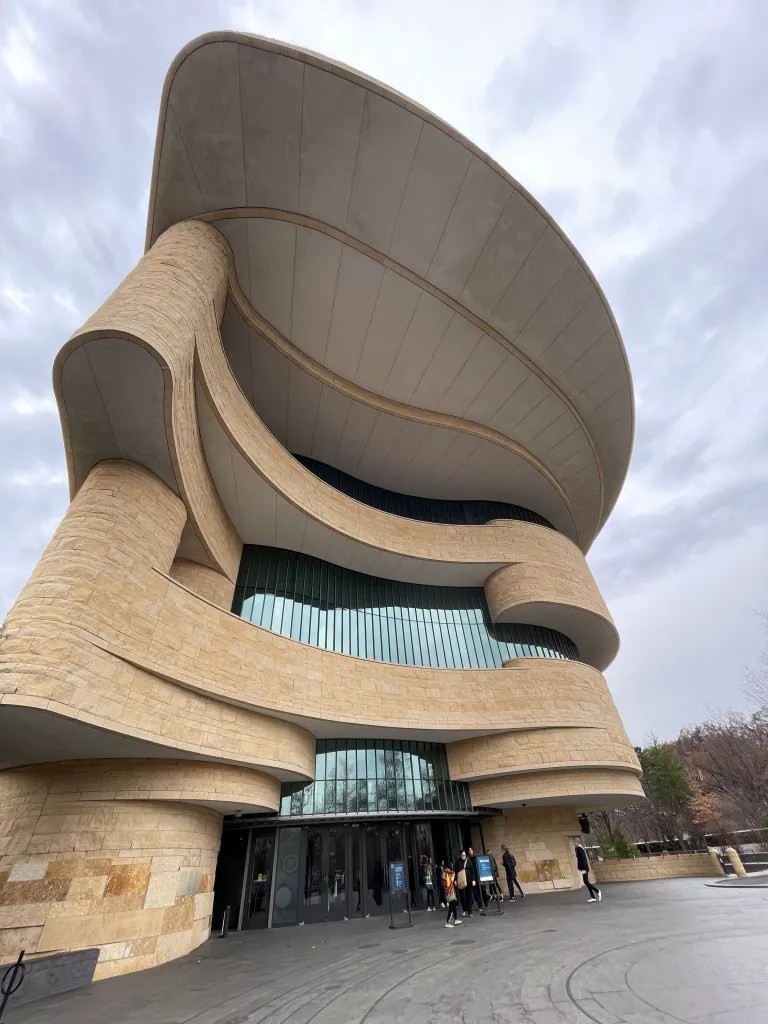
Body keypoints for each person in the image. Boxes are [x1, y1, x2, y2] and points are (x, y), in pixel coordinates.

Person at [467, 846, 488, 914]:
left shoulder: (476, 858)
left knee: (483, 890)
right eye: (469, 850)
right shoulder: (468, 859)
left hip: (479, 876)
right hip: (473, 878)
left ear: (473, 851)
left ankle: (485, 902)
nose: (470, 851)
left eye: (471, 850)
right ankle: (480, 906)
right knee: (476, 893)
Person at [442, 863, 462, 928]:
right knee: (451, 907)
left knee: (453, 906)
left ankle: (455, 919)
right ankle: (447, 922)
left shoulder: (446, 876)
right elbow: (453, 873)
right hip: (450, 893)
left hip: (450, 893)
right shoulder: (446, 877)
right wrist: (449, 871)